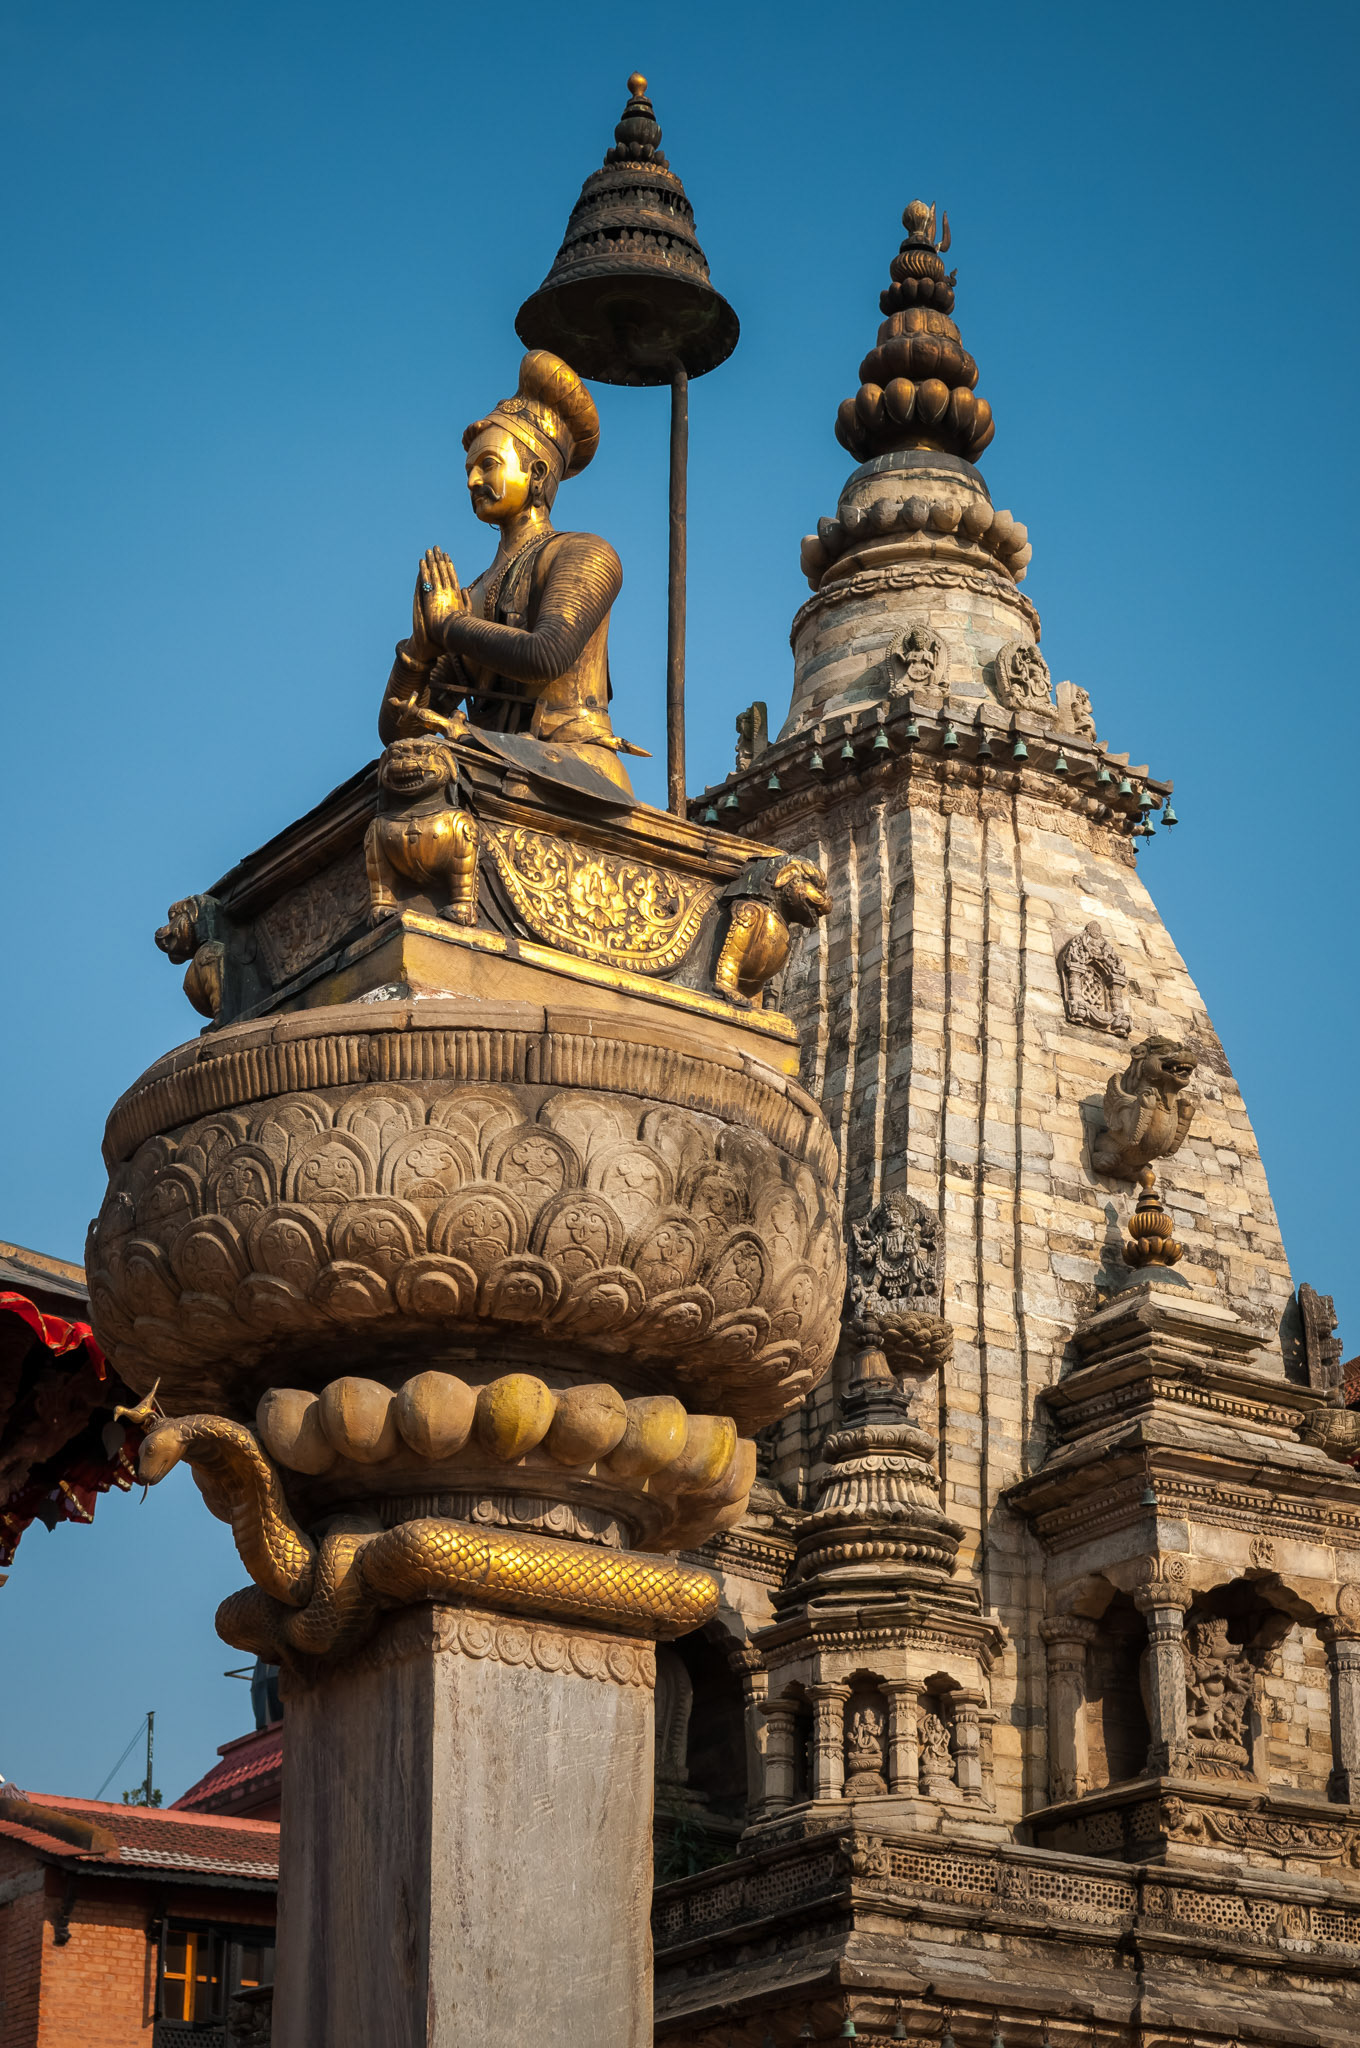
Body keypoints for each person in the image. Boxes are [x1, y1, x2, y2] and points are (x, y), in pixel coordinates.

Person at [380, 349, 641, 794]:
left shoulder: (585, 553)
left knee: (438, 795)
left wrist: (450, 626)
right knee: (397, 772)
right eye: (469, 470)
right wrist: (420, 650)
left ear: (536, 472)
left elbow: (547, 655)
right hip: (492, 756)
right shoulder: (469, 596)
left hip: (576, 762)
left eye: (488, 464)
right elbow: (397, 731)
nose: (472, 481)